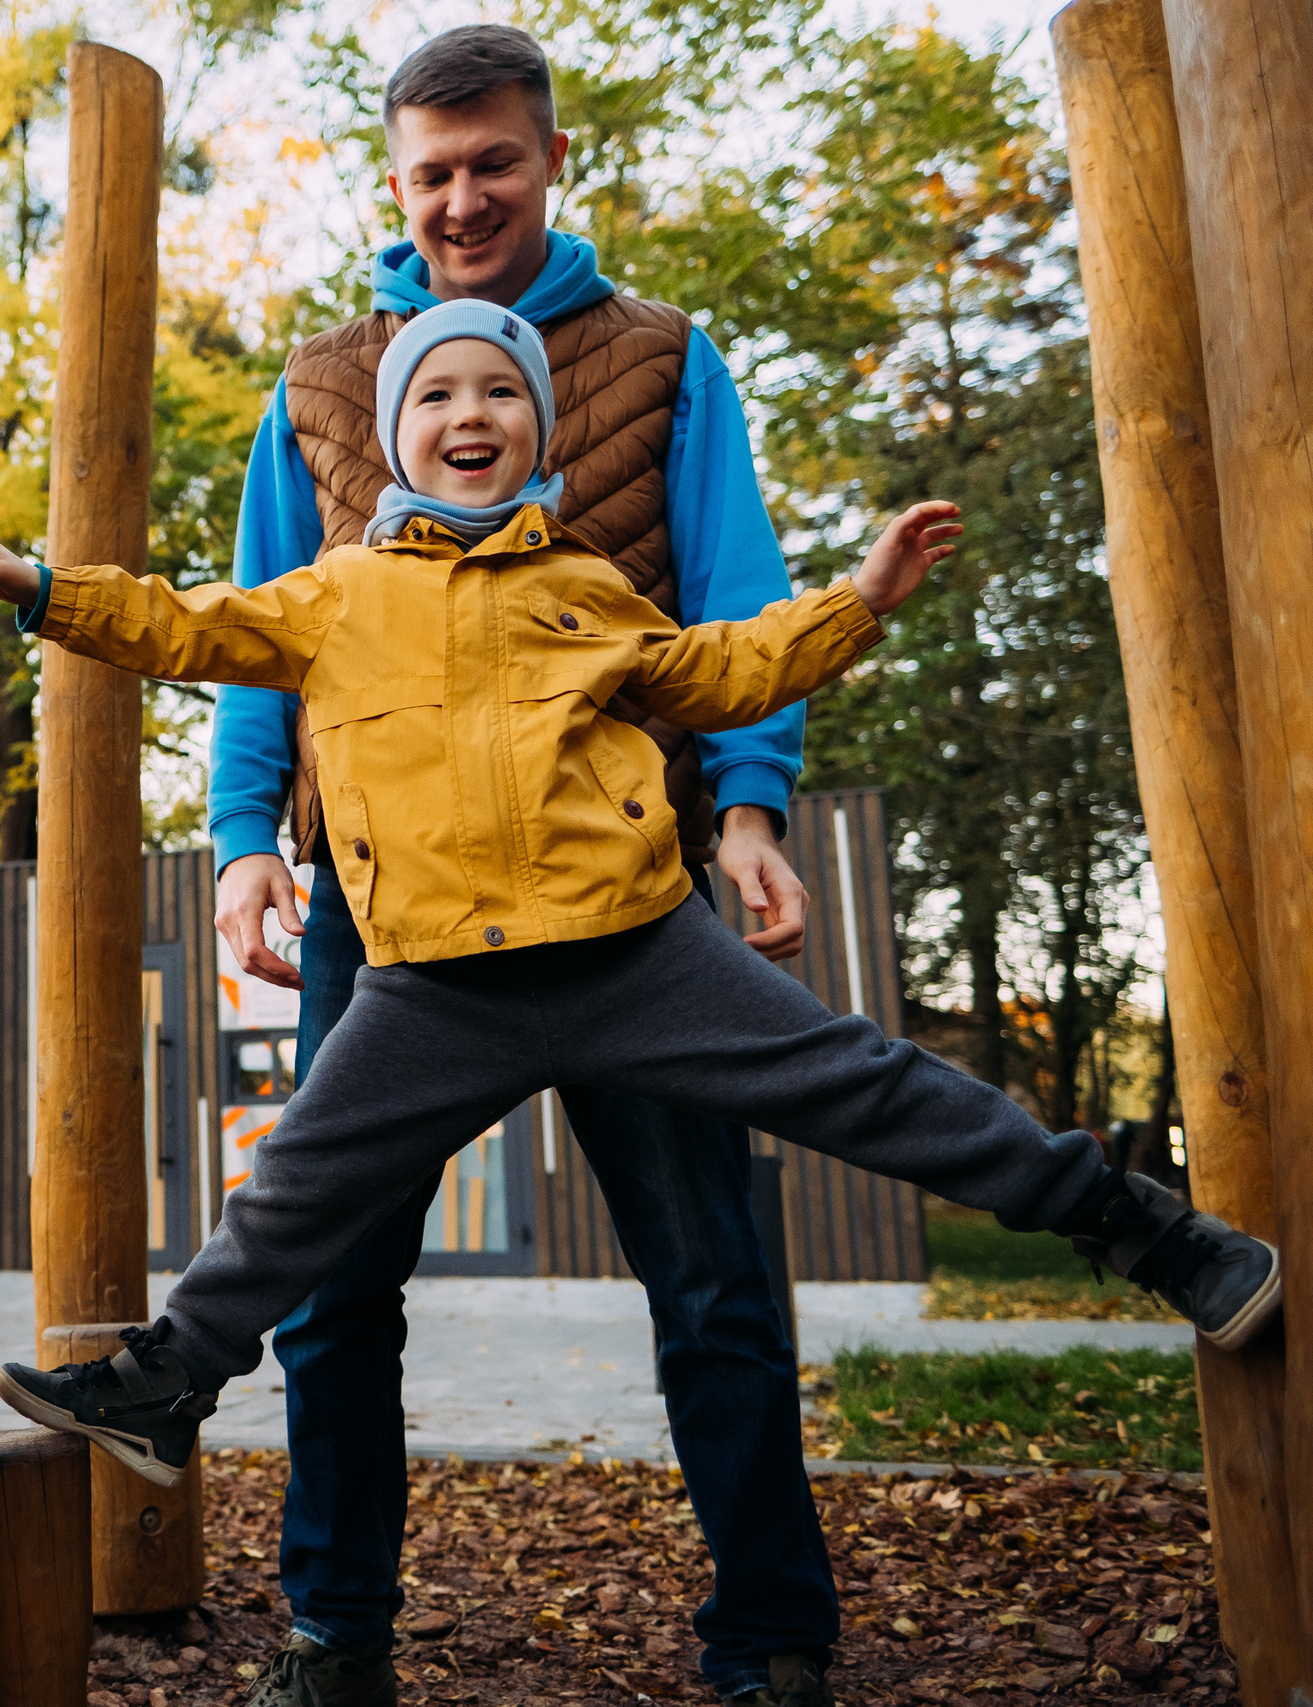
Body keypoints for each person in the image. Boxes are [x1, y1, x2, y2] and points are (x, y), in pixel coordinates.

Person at [0, 299, 1280, 1699]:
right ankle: (169, 1381)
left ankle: (1143, 1230)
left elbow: (719, 667)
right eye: (437, 397)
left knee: (874, 1086)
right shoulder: (337, 592)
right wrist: (33, 583)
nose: (469, 416)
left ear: (537, 430)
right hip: (432, 981)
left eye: (499, 394)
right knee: (295, 1189)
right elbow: (181, 620)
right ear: (398, 438)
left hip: (636, 951)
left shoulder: (585, 583)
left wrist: (863, 600)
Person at [188, 25, 860, 1705]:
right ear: (398, 182)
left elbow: (735, 601)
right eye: (434, 173)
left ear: (549, 158)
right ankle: (335, 1636)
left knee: (710, 1271)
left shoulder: (659, 357)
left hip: (623, 897)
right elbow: (272, 629)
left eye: (494, 162)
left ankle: (771, 1636)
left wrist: (752, 809)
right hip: (386, 907)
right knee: (334, 1277)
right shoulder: (327, 388)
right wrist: (241, 844)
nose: (464, 197)